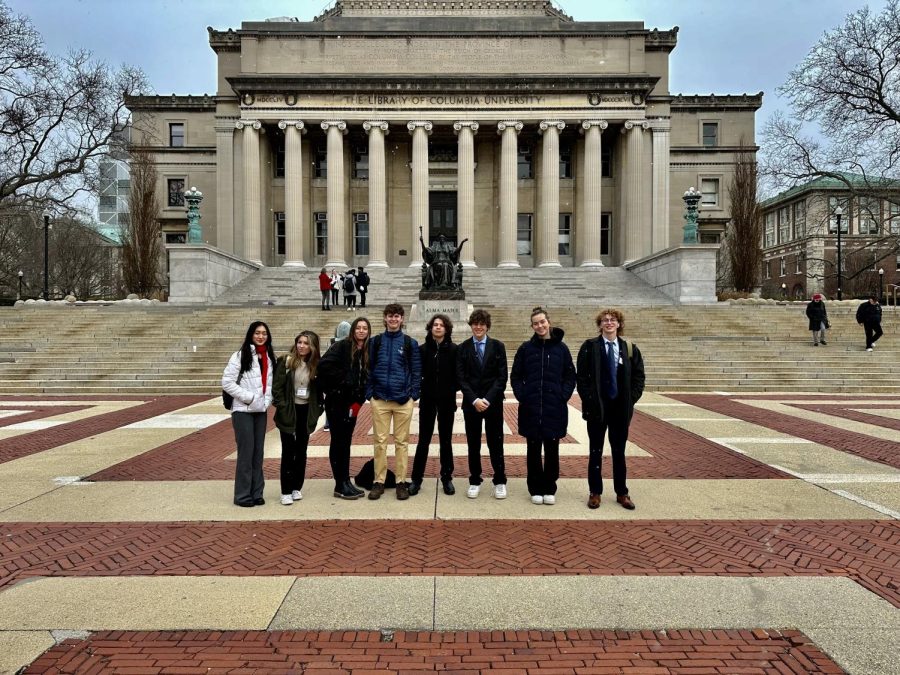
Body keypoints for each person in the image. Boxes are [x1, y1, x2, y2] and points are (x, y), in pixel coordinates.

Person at [576, 308, 645, 511]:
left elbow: (639, 377)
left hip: (620, 410)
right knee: (595, 451)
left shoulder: (629, 348)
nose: (608, 323)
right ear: (600, 325)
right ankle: (595, 492)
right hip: (597, 409)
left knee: (619, 451)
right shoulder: (589, 347)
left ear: (618, 324)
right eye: (605, 320)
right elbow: (582, 378)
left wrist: (630, 399)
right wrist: (590, 400)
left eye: (612, 320)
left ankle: (621, 492)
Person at [511, 307, 576, 505]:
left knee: (552, 449)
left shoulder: (561, 349)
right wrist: (523, 396)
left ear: (548, 321)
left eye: (542, 322)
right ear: (532, 326)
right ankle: (535, 488)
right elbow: (515, 376)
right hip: (531, 408)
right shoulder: (525, 348)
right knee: (532, 450)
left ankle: (549, 487)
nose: (540, 326)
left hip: (553, 408)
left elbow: (570, 376)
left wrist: (562, 396)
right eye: (536, 323)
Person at [366, 303, 421, 500]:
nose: (393, 319)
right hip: (380, 399)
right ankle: (379, 481)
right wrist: (370, 394)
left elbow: (416, 371)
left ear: (402, 319)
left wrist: (413, 395)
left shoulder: (409, 343)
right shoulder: (376, 342)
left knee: (401, 443)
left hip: (402, 401)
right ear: (385, 318)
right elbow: (369, 368)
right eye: (390, 316)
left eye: (397, 316)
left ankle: (400, 482)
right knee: (379, 442)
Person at [455, 308, 508, 499]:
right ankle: (475, 480)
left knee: (496, 443)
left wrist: (487, 399)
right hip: (471, 404)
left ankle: (500, 480)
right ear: (471, 325)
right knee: (473, 444)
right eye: (475, 324)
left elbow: (502, 377)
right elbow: (461, 377)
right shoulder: (463, 348)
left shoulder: (498, 346)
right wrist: (475, 399)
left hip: (492, 403)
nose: (478, 327)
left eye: (482, 324)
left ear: (487, 326)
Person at [222, 321, 275, 507]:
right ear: (251, 335)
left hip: (260, 411)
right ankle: (243, 495)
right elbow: (227, 382)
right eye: (257, 333)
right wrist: (250, 398)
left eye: (264, 333)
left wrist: (266, 401)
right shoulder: (240, 356)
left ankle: (257, 492)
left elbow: (269, 384)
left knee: (258, 453)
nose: (261, 336)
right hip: (243, 410)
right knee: (246, 453)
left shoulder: (268, 357)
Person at [318, 316, 371, 499]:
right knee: (338, 442)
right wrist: (344, 381)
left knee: (346, 442)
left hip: (352, 404)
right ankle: (339, 484)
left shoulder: (365, 350)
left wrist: (360, 399)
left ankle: (346, 480)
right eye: (358, 328)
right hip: (337, 402)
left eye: (365, 328)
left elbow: (364, 377)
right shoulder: (341, 346)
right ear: (353, 330)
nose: (361, 331)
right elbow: (323, 366)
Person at [409, 314, 459, 497]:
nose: (438, 327)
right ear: (430, 328)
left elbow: (459, 374)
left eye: (441, 325)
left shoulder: (455, 350)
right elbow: (416, 373)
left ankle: (447, 478)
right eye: (435, 325)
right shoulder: (422, 350)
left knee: (446, 441)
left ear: (447, 329)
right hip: (428, 400)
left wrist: (451, 388)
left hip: (447, 401)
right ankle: (416, 479)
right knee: (423, 440)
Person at [273, 331, 323, 505]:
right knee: (288, 451)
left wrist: (318, 409)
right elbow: (277, 388)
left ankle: (296, 487)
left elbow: (320, 390)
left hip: (306, 410)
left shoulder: (316, 365)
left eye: (306, 343)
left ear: (313, 347)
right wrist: (282, 406)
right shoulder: (286, 361)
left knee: (301, 450)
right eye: (299, 342)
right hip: (289, 409)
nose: (302, 346)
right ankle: (285, 490)